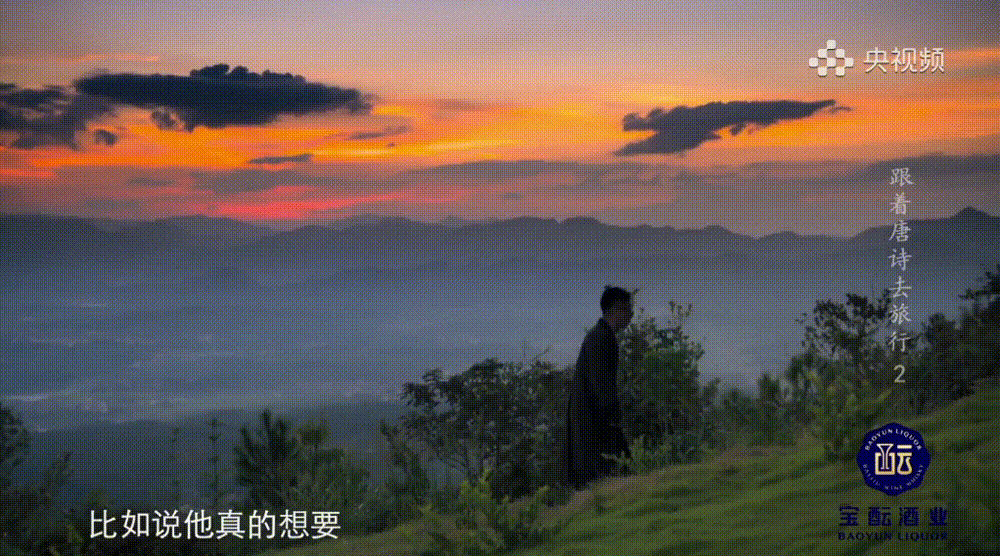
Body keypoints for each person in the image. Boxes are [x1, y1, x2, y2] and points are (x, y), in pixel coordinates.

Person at [565, 285, 633, 489]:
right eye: (628, 310)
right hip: (594, 423)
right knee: (608, 474)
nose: (630, 316)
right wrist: (613, 418)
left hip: (592, 420)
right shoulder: (602, 339)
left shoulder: (600, 336)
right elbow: (602, 387)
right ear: (617, 310)